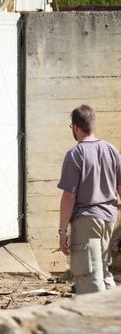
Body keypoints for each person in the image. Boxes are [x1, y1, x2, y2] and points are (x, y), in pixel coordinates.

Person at [57, 105, 121, 294]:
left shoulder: (75, 154)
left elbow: (69, 195)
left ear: (76, 127)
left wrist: (62, 231)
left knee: (88, 275)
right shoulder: (111, 150)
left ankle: (97, 318)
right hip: (109, 218)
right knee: (104, 272)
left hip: (87, 219)